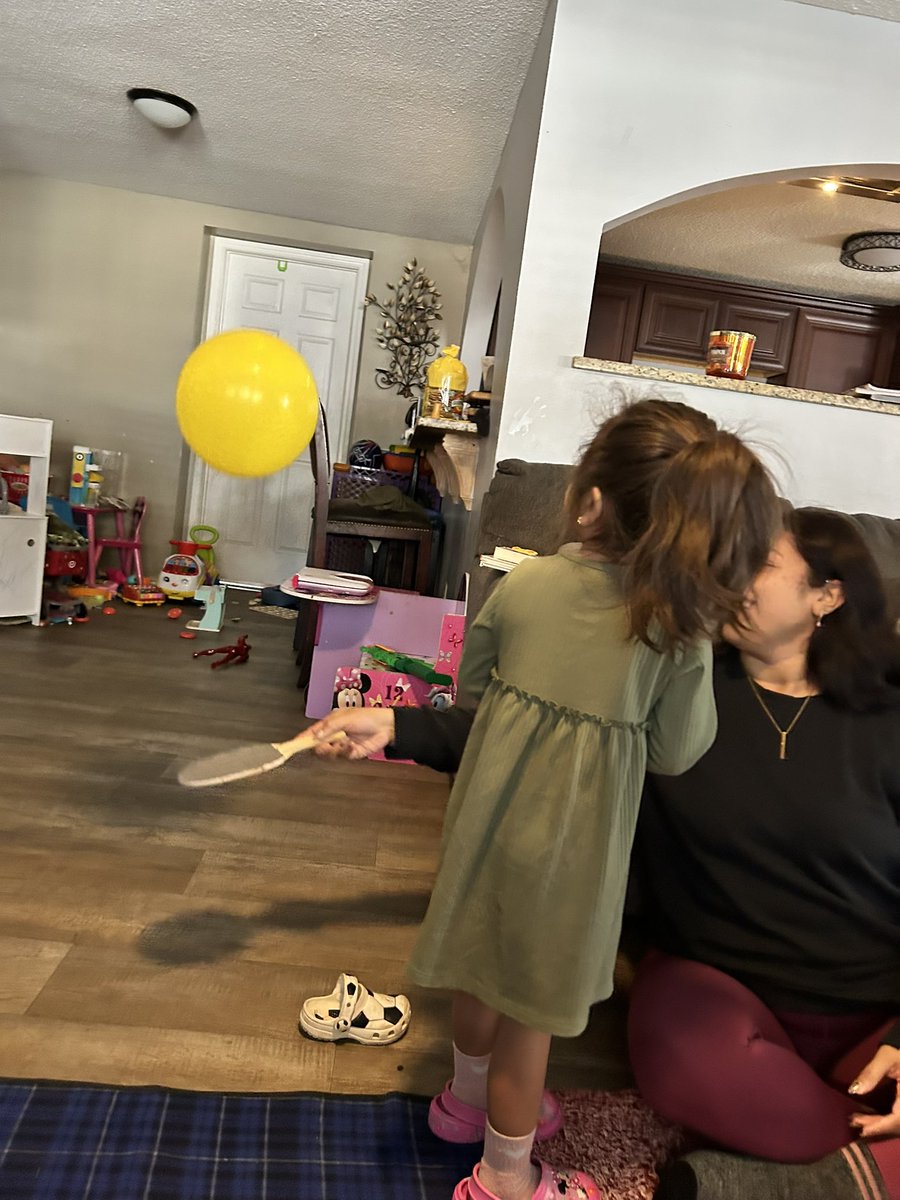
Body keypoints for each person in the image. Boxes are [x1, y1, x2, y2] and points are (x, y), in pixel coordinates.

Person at [316, 506, 900, 1200]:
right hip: (716, 991)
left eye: (762, 565)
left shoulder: (885, 714)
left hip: (873, 1000)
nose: (732, 579)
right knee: (685, 1067)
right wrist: (394, 724)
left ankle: (773, 1180)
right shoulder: (677, 679)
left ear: (826, 597)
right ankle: (858, 1169)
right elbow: (525, 732)